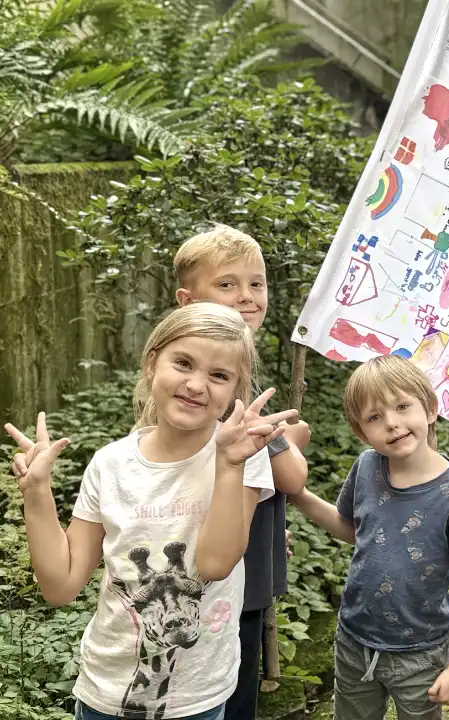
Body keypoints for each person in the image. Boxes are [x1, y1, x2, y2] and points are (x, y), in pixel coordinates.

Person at [5, 303, 299, 720]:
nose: (197, 385)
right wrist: (36, 494)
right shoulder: (110, 464)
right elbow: (60, 586)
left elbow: (215, 564)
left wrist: (229, 466)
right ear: (150, 365)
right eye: (183, 363)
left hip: (196, 697)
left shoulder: (240, 457)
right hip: (104, 690)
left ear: (237, 391)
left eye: (218, 375)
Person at [289, 355, 449, 719]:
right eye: (374, 417)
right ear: (361, 431)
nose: (392, 423)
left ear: (430, 408)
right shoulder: (367, 467)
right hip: (354, 640)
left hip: (421, 651)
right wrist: (300, 496)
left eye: (402, 406)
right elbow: (352, 529)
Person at [173, 225, 309, 719]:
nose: (247, 297)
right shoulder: (215, 388)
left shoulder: (227, 376)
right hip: (214, 572)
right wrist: (287, 443)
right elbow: (294, 476)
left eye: (257, 283)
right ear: (187, 301)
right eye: (227, 284)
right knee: (219, 694)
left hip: (246, 562)